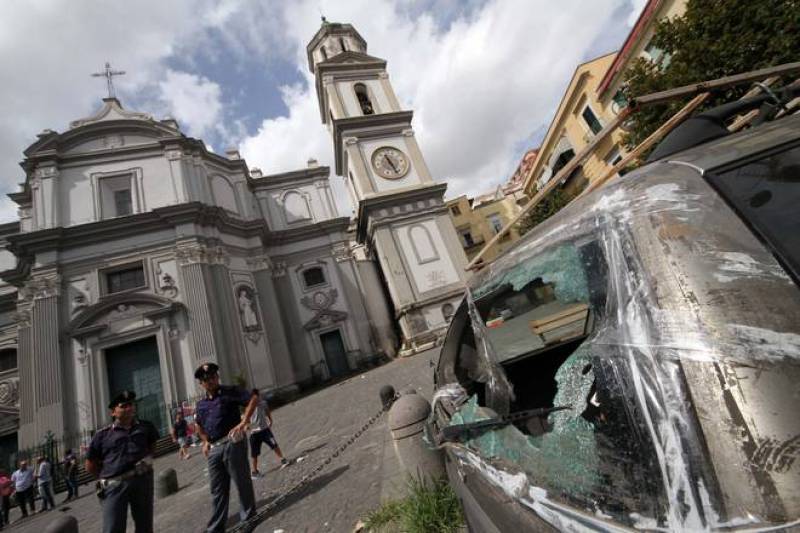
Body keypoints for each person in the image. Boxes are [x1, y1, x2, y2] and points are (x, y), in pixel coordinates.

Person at [194, 362, 258, 533]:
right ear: (201, 383)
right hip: (214, 449)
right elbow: (198, 425)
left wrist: (244, 421)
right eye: (206, 379)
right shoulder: (201, 405)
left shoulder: (230, 391)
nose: (211, 381)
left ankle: (249, 518)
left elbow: (253, 398)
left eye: (213, 377)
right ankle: (216, 527)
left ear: (217, 377)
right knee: (217, 489)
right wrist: (205, 441)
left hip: (233, 443)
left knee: (242, 482)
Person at [85, 390, 159, 533]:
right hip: (115, 485)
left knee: (145, 525)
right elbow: (90, 465)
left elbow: (152, 446)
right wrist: (107, 475)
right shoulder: (102, 435)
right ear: (113, 412)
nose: (129, 408)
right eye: (124, 406)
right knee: (113, 527)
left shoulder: (145, 427)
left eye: (131, 405)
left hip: (142, 480)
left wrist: (146, 462)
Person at [248, 391, 289, 479]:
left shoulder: (263, 403)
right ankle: (254, 471)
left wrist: (270, 420)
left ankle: (282, 459)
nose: (256, 399)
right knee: (254, 453)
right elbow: (245, 418)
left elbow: (267, 411)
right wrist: (246, 426)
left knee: (274, 444)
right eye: (253, 398)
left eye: (257, 397)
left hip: (265, 430)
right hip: (254, 433)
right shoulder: (248, 406)